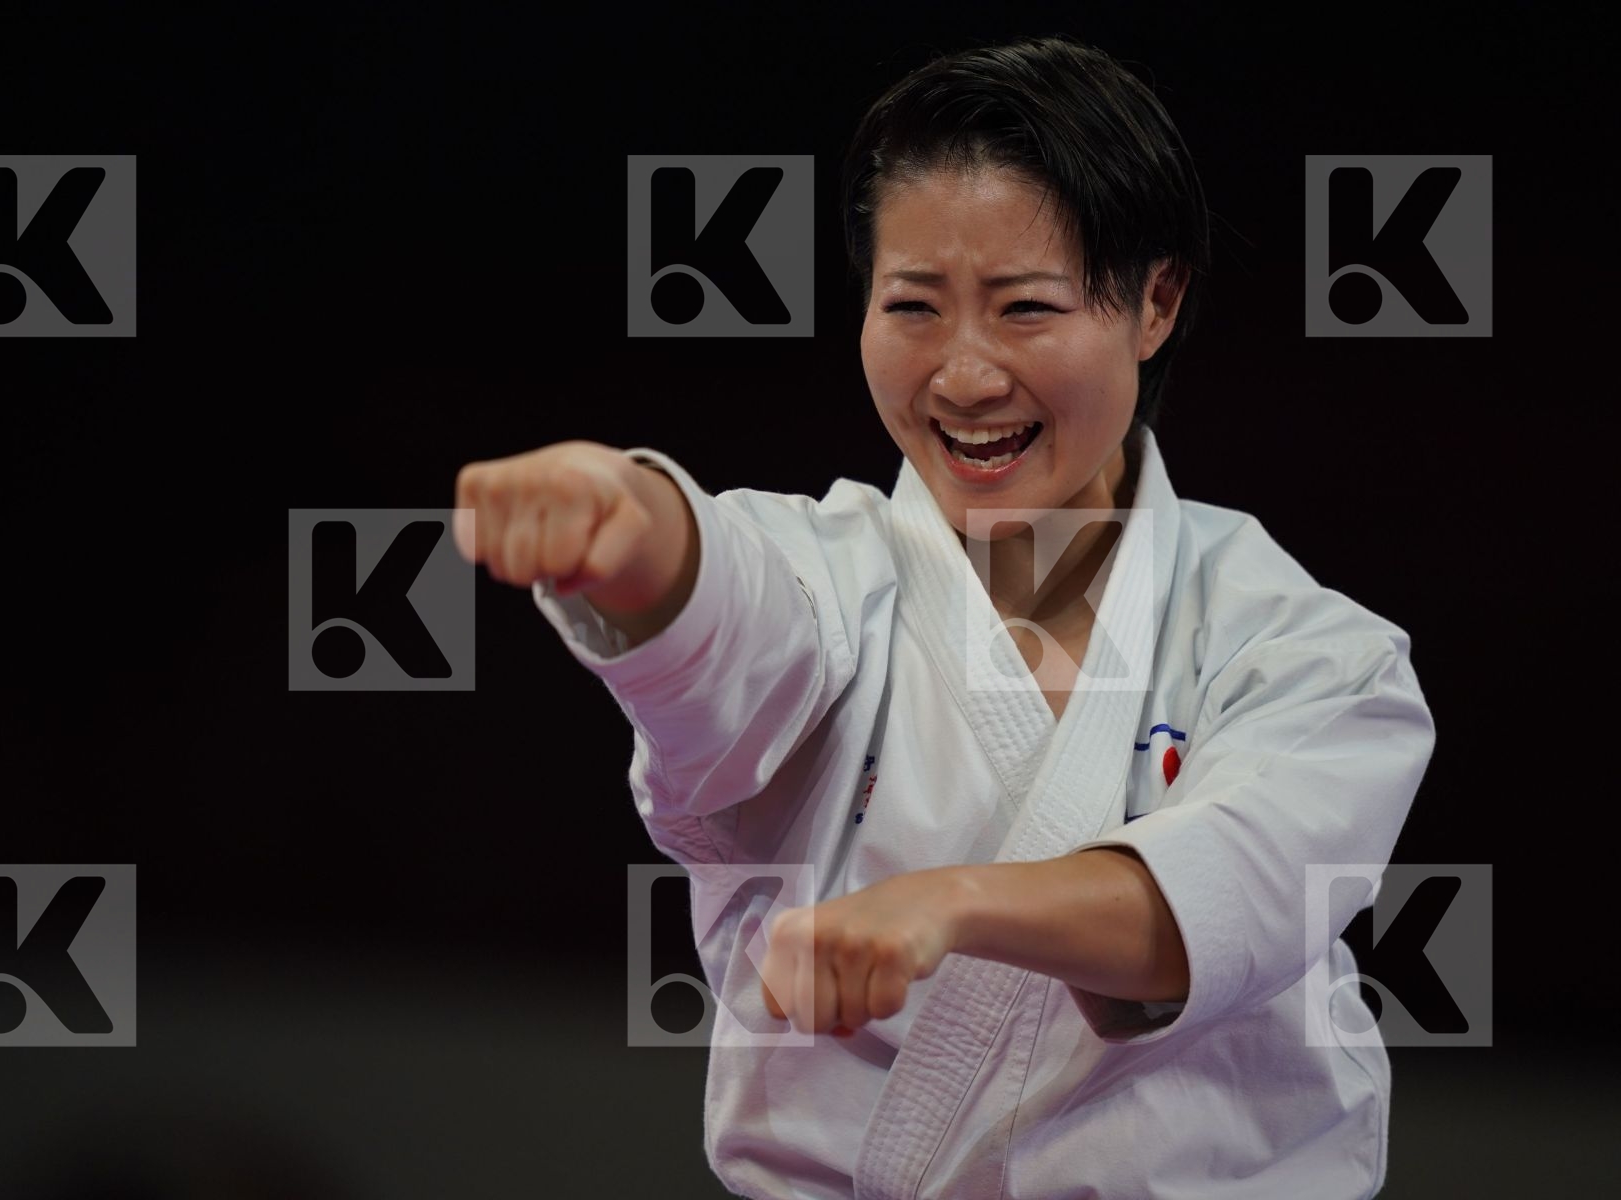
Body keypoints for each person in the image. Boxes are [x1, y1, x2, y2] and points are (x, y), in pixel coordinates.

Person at [452, 34, 1433, 1200]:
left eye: (1024, 309)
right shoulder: (830, 576)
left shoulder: (1315, 654)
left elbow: (1220, 900)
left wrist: (948, 904)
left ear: (1154, 301)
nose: (963, 376)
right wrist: (628, 511)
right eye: (914, 306)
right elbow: (724, 600)